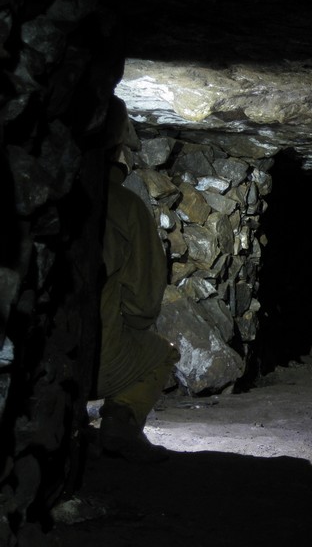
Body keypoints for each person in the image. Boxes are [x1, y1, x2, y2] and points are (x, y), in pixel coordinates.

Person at [93, 96, 180, 463]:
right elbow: (143, 306)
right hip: (93, 364)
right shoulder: (124, 205)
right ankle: (121, 423)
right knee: (163, 353)